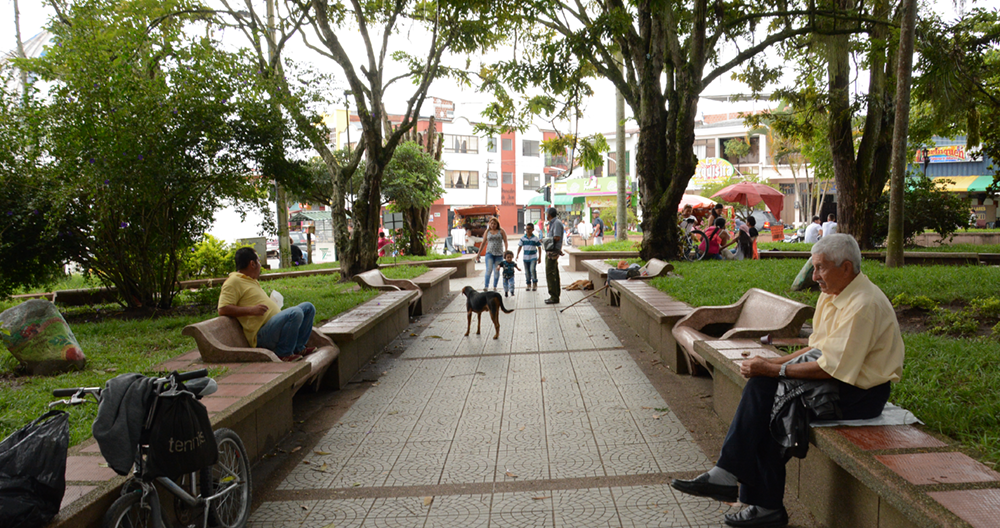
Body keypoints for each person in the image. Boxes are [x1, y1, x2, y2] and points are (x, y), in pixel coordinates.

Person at [671, 234, 904, 528]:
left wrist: (774, 371)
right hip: (837, 379)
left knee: (773, 405)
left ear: (846, 268)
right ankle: (745, 491)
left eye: (820, 268)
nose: (814, 276)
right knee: (764, 395)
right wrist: (770, 365)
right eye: (813, 267)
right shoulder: (834, 294)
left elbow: (830, 368)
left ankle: (746, 490)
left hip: (861, 393)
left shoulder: (863, 305)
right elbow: (817, 348)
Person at [217, 248, 317, 362]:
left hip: (272, 327)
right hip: (261, 335)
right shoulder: (233, 282)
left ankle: (298, 348)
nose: (260, 265)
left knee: (308, 307)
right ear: (252, 264)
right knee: (295, 312)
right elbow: (223, 309)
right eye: (259, 261)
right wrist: (251, 310)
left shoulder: (250, 280)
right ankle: (283, 353)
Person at [478, 217, 508, 291]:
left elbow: (505, 241)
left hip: (499, 254)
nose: (493, 225)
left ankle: (495, 286)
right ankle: (486, 286)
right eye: (491, 223)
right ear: (489, 224)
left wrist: (506, 251)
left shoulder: (501, 231)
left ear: (497, 224)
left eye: (494, 224)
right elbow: (483, 242)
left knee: (496, 271)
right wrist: (478, 253)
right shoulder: (487, 232)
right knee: (489, 270)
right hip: (489, 253)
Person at [544, 207, 564, 304]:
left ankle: (554, 296)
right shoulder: (553, 223)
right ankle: (555, 294)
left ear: (549, 215)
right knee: (553, 272)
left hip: (552, 252)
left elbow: (556, 237)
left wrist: (545, 240)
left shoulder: (556, 223)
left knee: (550, 273)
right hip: (551, 251)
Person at [516, 222, 542, 291]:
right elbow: (520, 246)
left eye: (529, 229)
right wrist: (517, 255)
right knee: (527, 272)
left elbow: (539, 247)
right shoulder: (523, 238)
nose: (527, 230)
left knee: (532, 270)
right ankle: (528, 284)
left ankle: (535, 283)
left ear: (533, 229)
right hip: (525, 258)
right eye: (526, 229)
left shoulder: (535, 238)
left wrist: (539, 257)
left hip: (533, 257)